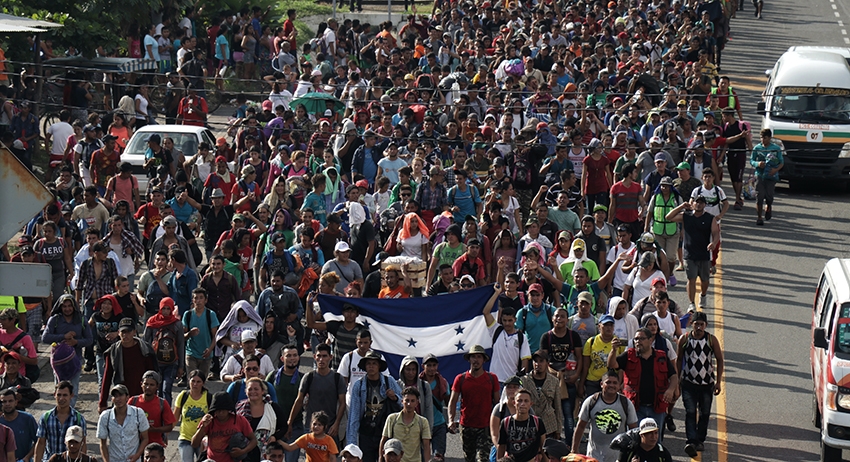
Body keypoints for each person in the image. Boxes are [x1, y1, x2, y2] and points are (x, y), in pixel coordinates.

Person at [607, 328, 678, 440]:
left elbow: (673, 376)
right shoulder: (629, 355)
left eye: (641, 339)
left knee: (655, 440)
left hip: (656, 408)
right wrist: (613, 350)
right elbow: (612, 364)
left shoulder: (661, 356)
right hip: (635, 408)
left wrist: (671, 390)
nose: (638, 342)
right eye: (636, 339)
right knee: (635, 440)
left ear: (650, 340)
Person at [677, 311, 724, 457]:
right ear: (691, 324)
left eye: (701, 324)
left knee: (705, 413)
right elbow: (679, 359)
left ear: (706, 325)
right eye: (696, 324)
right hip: (688, 383)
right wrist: (677, 380)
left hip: (706, 384)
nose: (698, 327)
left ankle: (700, 440)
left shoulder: (711, 340)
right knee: (690, 412)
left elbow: (720, 359)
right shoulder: (684, 339)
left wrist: (718, 382)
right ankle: (691, 440)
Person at [665, 195, 720, 312]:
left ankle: (703, 295)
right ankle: (691, 303)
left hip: (704, 254)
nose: (698, 204)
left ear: (704, 205)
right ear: (693, 203)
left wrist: (714, 243)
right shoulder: (686, 216)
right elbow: (669, 217)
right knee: (691, 279)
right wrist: (681, 206)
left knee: (705, 280)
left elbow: (716, 233)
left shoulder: (710, 218)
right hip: (689, 254)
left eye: (701, 203)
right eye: (696, 202)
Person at [346, 350, 403, 462]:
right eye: (368, 363)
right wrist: (352, 444)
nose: (371, 366)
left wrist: (395, 397)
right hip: (366, 432)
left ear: (379, 366)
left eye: (374, 363)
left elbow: (404, 403)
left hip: (385, 432)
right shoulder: (359, 385)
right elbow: (354, 415)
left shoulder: (389, 381)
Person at [447, 345, 501, 462]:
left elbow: (498, 403)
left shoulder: (492, 378)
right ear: (469, 359)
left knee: (483, 459)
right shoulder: (460, 378)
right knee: (469, 458)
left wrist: (498, 423)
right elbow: (452, 401)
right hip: (467, 426)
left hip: (486, 426)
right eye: (473, 357)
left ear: (484, 360)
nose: (476, 360)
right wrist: (451, 420)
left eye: (479, 357)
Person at [572, 371, 638, 461]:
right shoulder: (591, 401)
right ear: (601, 384)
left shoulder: (626, 403)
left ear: (619, 385)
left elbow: (633, 430)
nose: (611, 385)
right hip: (594, 456)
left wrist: (634, 454)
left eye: (615, 383)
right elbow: (580, 426)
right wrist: (574, 449)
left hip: (618, 457)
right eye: (608, 382)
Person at [288, 344, 347, 444]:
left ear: (330, 357)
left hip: (330, 428)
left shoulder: (337, 378)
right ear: (314, 357)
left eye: (324, 356)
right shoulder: (309, 377)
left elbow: (342, 403)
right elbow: (299, 401)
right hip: (311, 427)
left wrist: (336, 424)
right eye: (319, 356)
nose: (321, 359)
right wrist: (290, 422)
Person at [41, 296, 93, 409]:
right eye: (64, 306)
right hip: (59, 360)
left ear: (74, 306)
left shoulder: (81, 319)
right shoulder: (55, 320)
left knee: (73, 388)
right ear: (60, 307)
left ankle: (70, 411)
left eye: (70, 306)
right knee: (60, 388)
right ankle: (61, 411)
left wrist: (76, 342)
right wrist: (63, 337)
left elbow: (89, 340)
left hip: (76, 359)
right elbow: (45, 338)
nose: (67, 309)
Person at [99, 318, 160, 413]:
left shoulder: (145, 350)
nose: (125, 335)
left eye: (128, 332)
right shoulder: (113, 352)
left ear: (134, 332)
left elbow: (152, 377)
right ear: (118, 333)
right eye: (123, 332)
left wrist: (153, 400)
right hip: (121, 396)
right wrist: (102, 403)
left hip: (142, 397)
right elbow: (107, 378)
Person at [190, 392, 258, 462]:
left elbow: (253, 440)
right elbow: (194, 444)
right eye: (218, 410)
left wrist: (242, 451)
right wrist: (202, 427)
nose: (221, 413)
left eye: (223, 410)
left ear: (228, 409)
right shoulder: (209, 421)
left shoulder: (240, 420)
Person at [142, 297, 184, 403]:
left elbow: (180, 345)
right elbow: (145, 342)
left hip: (172, 362)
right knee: (156, 389)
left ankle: (167, 411)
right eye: (163, 308)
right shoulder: (152, 322)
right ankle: (156, 410)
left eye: (168, 309)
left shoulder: (177, 324)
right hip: (156, 362)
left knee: (166, 388)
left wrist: (181, 366)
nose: (165, 311)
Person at [235, 377, 287, 460]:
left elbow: (284, 427)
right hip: (244, 453)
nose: (253, 392)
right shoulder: (238, 408)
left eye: (256, 389)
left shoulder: (273, 407)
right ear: (246, 391)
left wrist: (275, 437)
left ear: (263, 391)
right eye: (250, 389)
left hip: (266, 453)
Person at [268, 344, 304, 462]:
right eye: (288, 355)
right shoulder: (273, 376)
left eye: (294, 355)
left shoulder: (303, 378)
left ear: (298, 357)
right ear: (282, 358)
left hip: (295, 426)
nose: (292, 358)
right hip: (275, 426)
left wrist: (290, 423)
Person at [96, 384, 150, 462]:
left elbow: (145, 438)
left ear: (127, 397)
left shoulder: (138, 413)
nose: (118, 399)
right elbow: (103, 444)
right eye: (115, 396)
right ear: (112, 399)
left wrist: (137, 455)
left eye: (121, 395)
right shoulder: (105, 416)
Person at [379, 387, 431, 462]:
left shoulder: (422, 422)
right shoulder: (392, 419)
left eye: (412, 401)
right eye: (407, 400)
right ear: (402, 401)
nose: (409, 404)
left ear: (417, 403)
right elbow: (384, 440)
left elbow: (426, 446)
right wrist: (380, 459)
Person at [519, 352, 562, 440]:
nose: (538, 364)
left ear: (547, 363)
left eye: (541, 361)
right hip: (530, 423)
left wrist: (558, 429)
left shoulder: (554, 381)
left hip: (549, 425)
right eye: (535, 361)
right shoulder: (524, 380)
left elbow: (557, 406)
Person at [496, 388, 546, 462]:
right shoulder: (506, 422)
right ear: (514, 403)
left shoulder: (537, 422)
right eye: (519, 401)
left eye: (526, 401)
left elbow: (543, 446)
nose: (522, 404)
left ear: (530, 404)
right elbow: (501, 446)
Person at [173, 370, 212, 462]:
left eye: (198, 382)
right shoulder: (183, 396)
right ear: (188, 381)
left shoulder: (209, 397)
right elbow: (175, 418)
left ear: (203, 383)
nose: (195, 384)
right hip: (185, 438)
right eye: (193, 381)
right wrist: (165, 434)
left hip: (202, 438)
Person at [128, 371, 176, 447]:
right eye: (146, 384)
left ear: (157, 386)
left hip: (154, 446)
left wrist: (154, 430)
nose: (148, 387)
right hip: (134, 445)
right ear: (141, 384)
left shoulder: (162, 403)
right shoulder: (133, 401)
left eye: (152, 385)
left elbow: (169, 427)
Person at [182, 288, 220, 381]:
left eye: (201, 298)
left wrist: (210, 349)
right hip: (191, 353)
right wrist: (189, 334)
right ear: (193, 300)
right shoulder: (188, 314)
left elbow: (216, 336)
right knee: (192, 380)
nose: (198, 301)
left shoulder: (210, 314)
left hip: (205, 355)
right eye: (196, 298)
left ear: (205, 300)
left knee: (201, 382)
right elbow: (182, 337)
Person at [750, 128, 784, 226]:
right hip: (760, 175)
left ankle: (768, 206)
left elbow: (781, 162)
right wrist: (757, 164)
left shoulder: (775, 148)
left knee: (769, 196)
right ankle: (759, 217)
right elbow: (751, 160)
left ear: (769, 138)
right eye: (761, 137)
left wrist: (775, 170)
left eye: (765, 138)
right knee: (759, 196)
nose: (763, 140)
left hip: (771, 176)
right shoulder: (757, 148)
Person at [0, 388, 38, 462]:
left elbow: (39, 441)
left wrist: (27, 458)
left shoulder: (27, 419)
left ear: (16, 402)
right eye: (4, 401)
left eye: (10, 401)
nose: (7, 404)